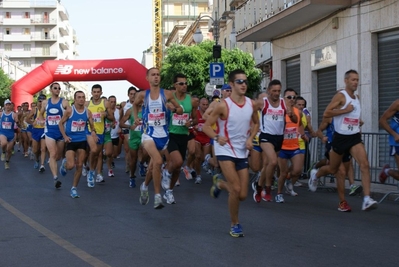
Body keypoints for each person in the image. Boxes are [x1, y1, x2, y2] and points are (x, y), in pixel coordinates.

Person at [309, 69, 378, 211]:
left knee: (364, 164)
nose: (356, 82)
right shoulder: (341, 96)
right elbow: (327, 112)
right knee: (335, 169)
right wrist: (344, 110)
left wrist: (357, 121)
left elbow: (352, 115)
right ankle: (316, 173)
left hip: (354, 137)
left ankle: (366, 199)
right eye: (353, 79)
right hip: (340, 138)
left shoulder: (357, 97)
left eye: (357, 80)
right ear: (346, 81)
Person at [203, 69, 259, 238]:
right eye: (240, 82)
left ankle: (219, 183)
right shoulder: (223, 105)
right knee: (235, 188)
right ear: (232, 84)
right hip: (225, 149)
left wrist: (250, 138)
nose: (244, 85)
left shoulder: (251, 104)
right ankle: (235, 224)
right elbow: (206, 126)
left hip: (241, 150)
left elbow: (256, 124)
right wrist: (216, 137)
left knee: (242, 194)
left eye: (245, 81)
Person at [134, 67, 183, 209]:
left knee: (152, 167)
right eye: (153, 75)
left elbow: (180, 109)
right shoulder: (143, 95)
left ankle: (144, 186)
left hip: (163, 136)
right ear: (147, 78)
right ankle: (157, 197)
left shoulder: (167, 94)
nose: (156, 77)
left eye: (158, 75)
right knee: (158, 161)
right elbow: (135, 106)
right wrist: (136, 118)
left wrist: (173, 108)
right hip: (148, 135)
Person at [253, 79, 297, 202]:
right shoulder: (263, 103)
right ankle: (267, 188)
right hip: (266, 136)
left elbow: (294, 120)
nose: (277, 93)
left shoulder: (285, 103)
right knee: (273, 162)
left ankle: (258, 186)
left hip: (279, 137)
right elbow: (250, 111)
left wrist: (291, 114)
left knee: (267, 164)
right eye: (274, 91)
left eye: (278, 91)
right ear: (269, 91)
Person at [161, 73, 198, 204]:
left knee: (178, 167)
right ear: (175, 86)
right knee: (177, 161)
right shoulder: (169, 99)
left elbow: (195, 119)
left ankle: (169, 191)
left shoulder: (191, 100)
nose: (184, 86)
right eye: (181, 84)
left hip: (184, 135)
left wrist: (191, 123)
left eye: (185, 83)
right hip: (171, 134)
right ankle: (166, 173)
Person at [58, 91, 97, 198]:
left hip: (82, 141)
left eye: (83, 97)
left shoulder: (88, 112)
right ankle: (65, 164)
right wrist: (65, 136)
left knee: (79, 165)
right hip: (71, 141)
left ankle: (74, 188)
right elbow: (60, 123)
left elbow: (92, 126)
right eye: (79, 97)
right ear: (75, 99)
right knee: (71, 166)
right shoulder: (69, 111)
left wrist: (93, 132)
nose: (81, 99)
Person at [275, 89, 307, 203]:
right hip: (282, 147)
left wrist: (303, 135)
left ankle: (289, 182)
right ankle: (279, 193)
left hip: (294, 145)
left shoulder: (298, 112)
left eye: (294, 97)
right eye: (289, 97)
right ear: (283, 98)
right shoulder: (279, 111)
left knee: (297, 170)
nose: (292, 99)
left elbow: (299, 125)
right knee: (283, 173)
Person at [39, 82, 70, 188]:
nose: (57, 90)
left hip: (61, 132)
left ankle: (60, 165)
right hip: (49, 132)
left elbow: (70, 112)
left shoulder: (64, 102)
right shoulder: (45, 103)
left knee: (58, 156)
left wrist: (66, 119)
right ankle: (55, 178)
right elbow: (41, 114)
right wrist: (43, 120)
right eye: (55, 88)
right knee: (52, 154)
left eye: (59, 88)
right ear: (51, 90)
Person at [85, 84, 114, 186]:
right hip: (89, 131)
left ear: (101, 93)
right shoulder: (87, 104)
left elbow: (112, 118)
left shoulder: (105, 103)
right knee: (93, 151)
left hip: (101, 132)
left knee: (97, 154)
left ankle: (92, 170)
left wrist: (106, 114)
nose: (96, 94)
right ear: (91, 93)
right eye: (94, 92)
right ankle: (91, 172)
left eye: (98, 92)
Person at [378, 99, 399, 183]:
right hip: (397, 143)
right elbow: (382, 121)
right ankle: (387, 171)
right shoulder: (397, 104)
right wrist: (394, 134)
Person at [26, 94, 47, 172]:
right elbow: (27, 119)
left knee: (43, 148)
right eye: (40, 101)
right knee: (35, 150)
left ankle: (42, 165)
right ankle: (37, 159)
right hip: (35, 130)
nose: (41, 103)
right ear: (38, 101)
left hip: (44, 130)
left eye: (43, 101)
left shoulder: (47, 109)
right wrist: (32, 123)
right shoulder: (35, 110)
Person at [0, 99, 18, 169]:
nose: (7, 106)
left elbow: (17, 123)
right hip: (2, 132)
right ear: (4, 106)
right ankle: (3, 152)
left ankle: (7, 162)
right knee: (4, 143)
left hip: (11, 134)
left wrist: (18, 122)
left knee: (9, 150)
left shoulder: (14, 114)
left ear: (11, 106)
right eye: (6, 105)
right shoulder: (1, 114)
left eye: (9, 105)